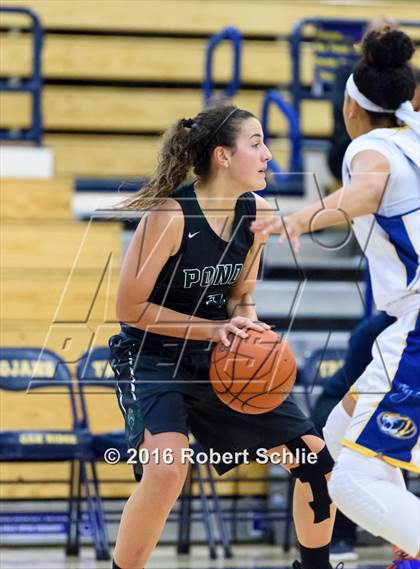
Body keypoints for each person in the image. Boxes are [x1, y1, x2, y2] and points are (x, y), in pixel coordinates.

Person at [108, 105, 339, 569]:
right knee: (168, 470)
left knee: (315, 461)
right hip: (153, 357)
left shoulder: (259, 213)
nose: (268, 154)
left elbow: (241, 295)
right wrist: (216, 327)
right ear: (223, 156)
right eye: (255, 144)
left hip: (218, 357)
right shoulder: (170, 216)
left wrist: (249, 325)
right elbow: (128, 309)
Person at [251, 27, 420, 567]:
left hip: (417, 324)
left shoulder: (369, 147)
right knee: (329, 438)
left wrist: (299, 218)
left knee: (351, 481)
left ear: (350, 104)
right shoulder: (413, 138)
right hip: (404, 323)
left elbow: (368, 190)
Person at [311, 311, 395, 563]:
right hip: (346, 400)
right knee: (348, 448)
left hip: (397, 405)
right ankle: (337, 535)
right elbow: (359, 386)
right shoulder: (372, 330)